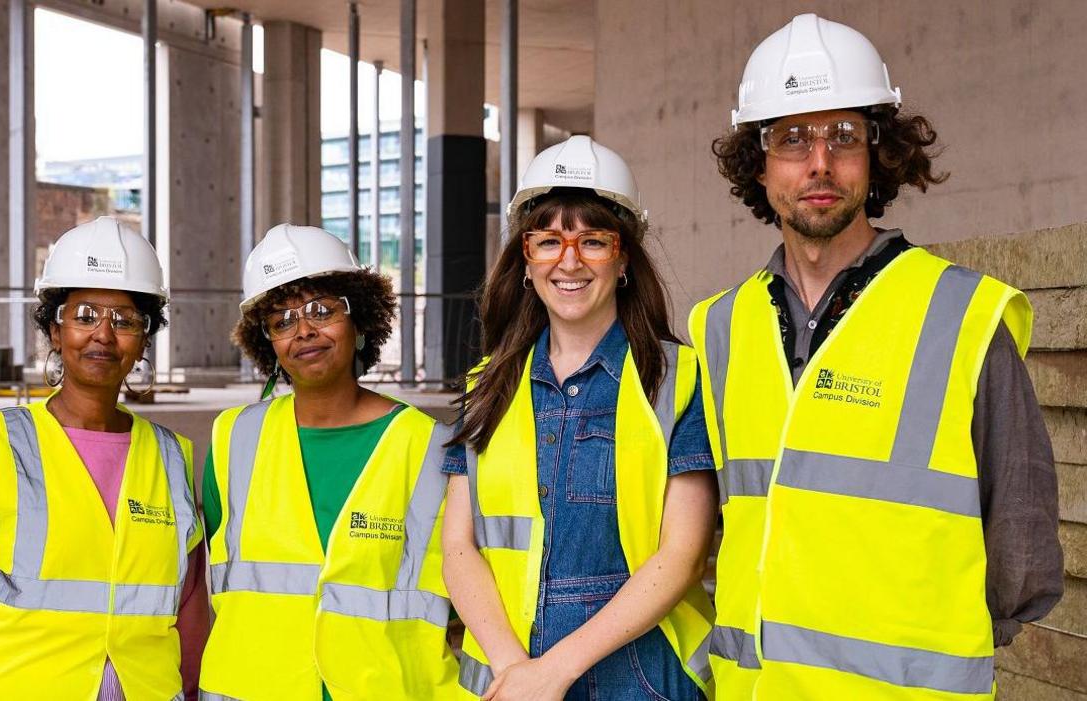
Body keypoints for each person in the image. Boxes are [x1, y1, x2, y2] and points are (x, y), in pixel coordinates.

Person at [696, 14, 1063, 700]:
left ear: (878, 152)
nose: (819, 163)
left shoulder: (962, 316)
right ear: (760, 162)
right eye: (791, 138)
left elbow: (1023, 554)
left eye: (844, 136)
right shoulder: (718, 326)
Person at [0, 216, 206, 699]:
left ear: (143, 339)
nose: (103, 334)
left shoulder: (170, 459)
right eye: (85, 315)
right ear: (55, 331)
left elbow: (192, 619)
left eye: (124, 319)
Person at [441, 135, 718, 701]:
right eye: (547, 242)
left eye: (592, 241)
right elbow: (458, 548)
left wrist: (554, 670)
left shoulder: (675, 378)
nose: (569, 261)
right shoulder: (487, 387)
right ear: (525, 261)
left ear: (622, 261)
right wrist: (516, 669)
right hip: (510, 673)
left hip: (642, 680)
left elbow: (683, 555)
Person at [198, 224, 461, 700]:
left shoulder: (431, 448)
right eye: (281, 319)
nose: (304, 330)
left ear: (359, 320)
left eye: (321, 310)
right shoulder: (232, 438)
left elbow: (464, 598)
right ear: (268, 344)